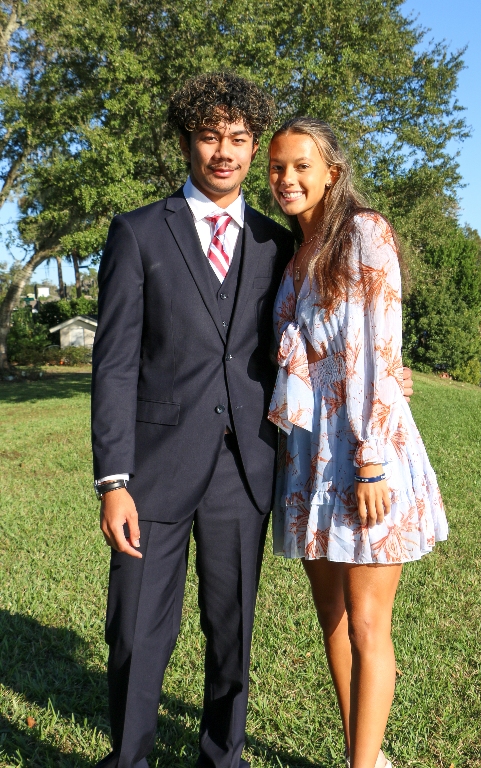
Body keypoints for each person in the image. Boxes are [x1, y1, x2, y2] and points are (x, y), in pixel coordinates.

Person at [91, 71, 414, 768]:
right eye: (210, 136)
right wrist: (113, 480)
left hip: (247, 470)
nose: (224, 152)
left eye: (239, 139)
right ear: (187, 141)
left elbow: (330, 340)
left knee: (232, 635)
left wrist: (388, 389)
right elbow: (113, 365)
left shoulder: (278, 244)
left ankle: (223, 757)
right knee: (136, 632)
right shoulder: (137, 233)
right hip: (153, 470)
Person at [267, 117, 448, 768]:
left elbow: (380, 347)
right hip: (309, 458)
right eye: (277, 167)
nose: (286, 178)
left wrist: (371, 460)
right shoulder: (293, 253)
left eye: (301, 166)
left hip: (366, 450)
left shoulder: (364, 233)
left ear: (332, 173)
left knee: (368, 625)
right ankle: (363, 756)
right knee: (333, 621)